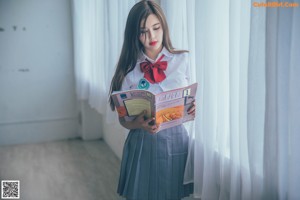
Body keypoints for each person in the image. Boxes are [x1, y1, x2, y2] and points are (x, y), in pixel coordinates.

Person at [109, 1, 195, 199]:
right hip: (142, 144)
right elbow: (123, 119)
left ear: (164, 26)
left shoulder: (183, 60)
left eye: (156, 28)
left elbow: (191, 100)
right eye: (143, 31)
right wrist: (137, 123)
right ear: (135, 35)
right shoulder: (128, 70)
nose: (152, 37)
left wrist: (192, 108)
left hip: (176, 141)